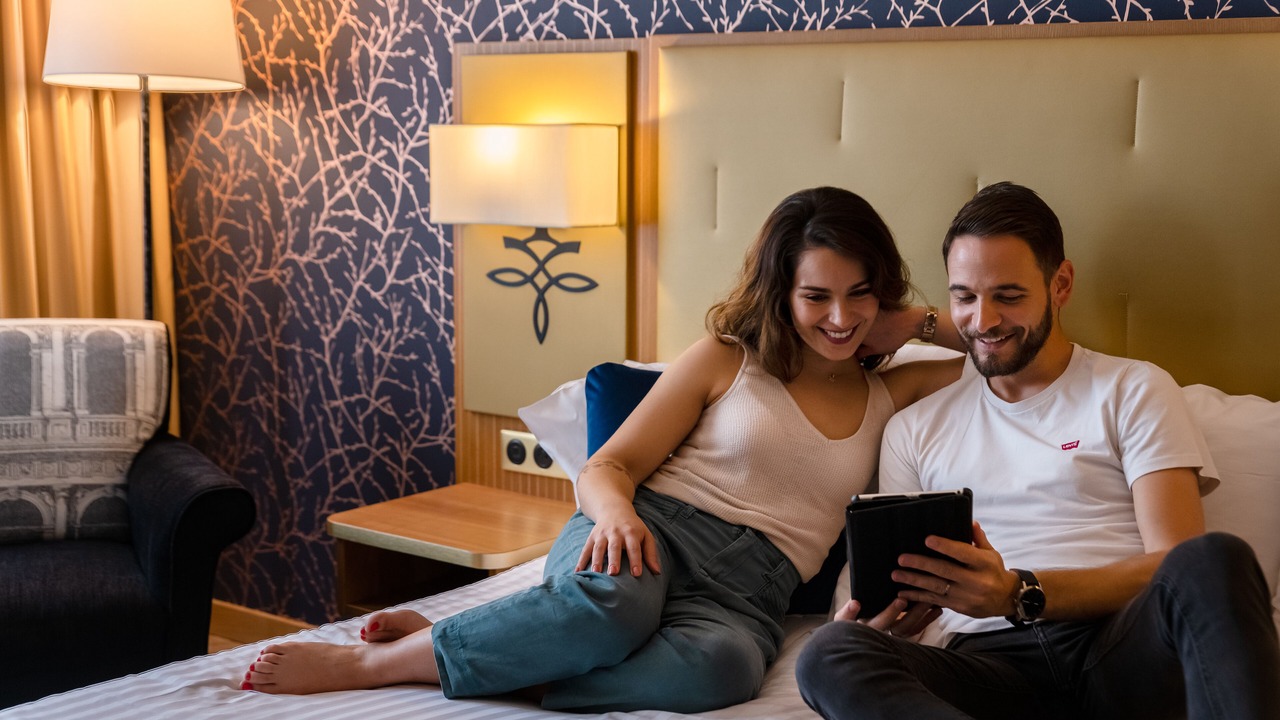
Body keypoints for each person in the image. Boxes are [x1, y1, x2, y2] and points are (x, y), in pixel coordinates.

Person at [239, 186, 965, 712]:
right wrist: (617, 517)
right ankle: (374, 664)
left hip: (749, 594)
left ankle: (502, 660)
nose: (840, 318)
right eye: (817, 297)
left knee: (722, 674)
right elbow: (608, 466)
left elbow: (999, 352)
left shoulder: (890, 393)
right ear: (780, 293)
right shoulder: (726, 356)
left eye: (859, 294)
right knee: (611, 610)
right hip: (651, 531)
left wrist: (913, 318)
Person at [795, 182, 1280, 720]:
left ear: (1061, 284)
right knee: (827, 652)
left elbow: (1174, 560)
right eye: (965, 297)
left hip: (1118, 652)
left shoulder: (1131, 389)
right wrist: (895, 617)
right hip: (987, 671)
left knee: (1215, 559)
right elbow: (908, 592)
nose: (984, 321)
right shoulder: (913, 429)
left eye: (1009, 295)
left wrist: (1018, 593)